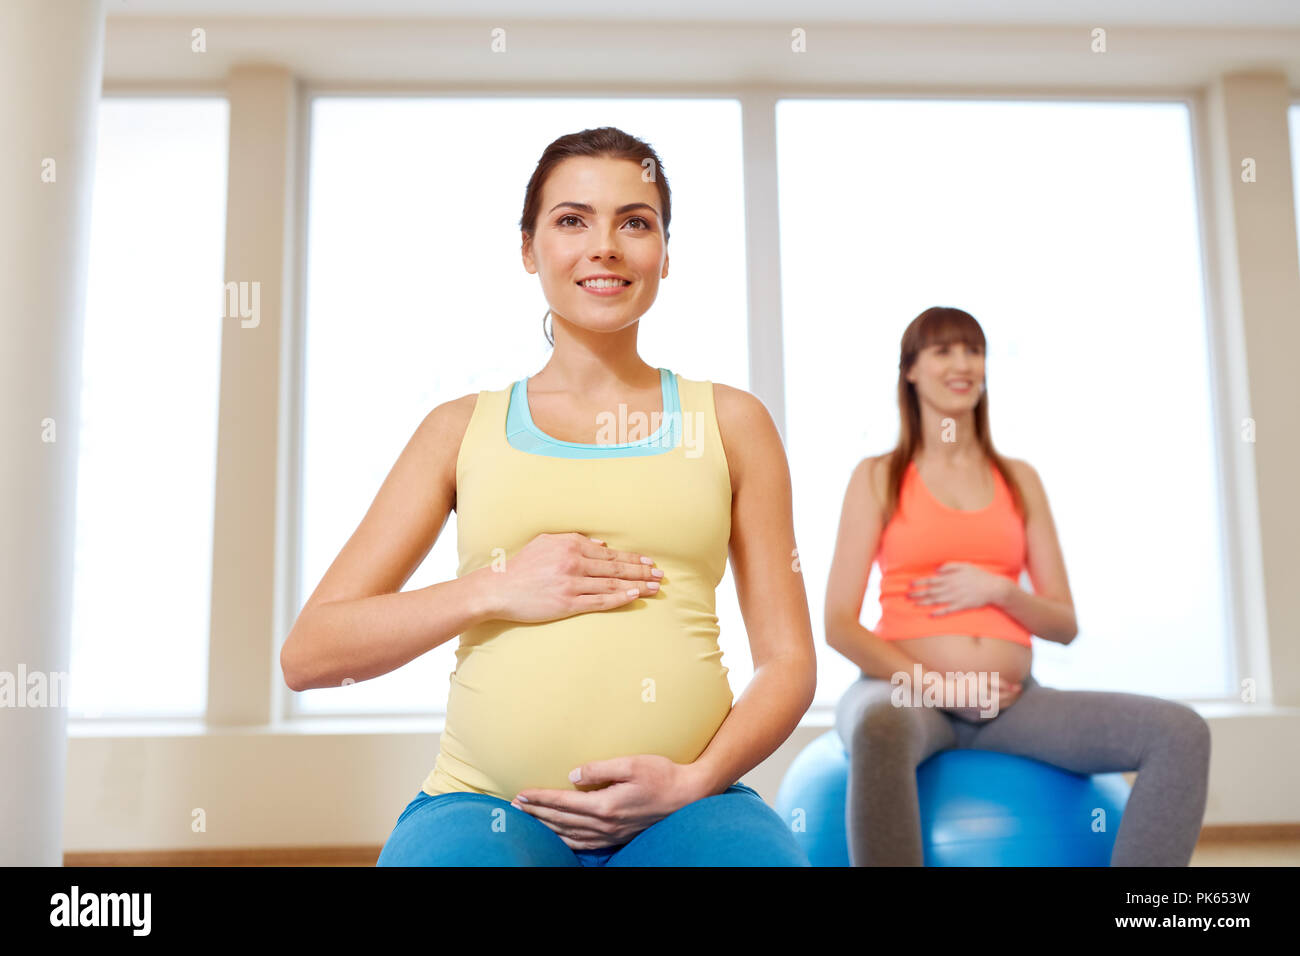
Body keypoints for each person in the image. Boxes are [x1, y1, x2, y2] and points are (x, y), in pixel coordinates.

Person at [281, 126, 815, 866]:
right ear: (529, 248)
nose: (606, 246)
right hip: (484, 806)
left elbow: (788, 662)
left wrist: (696, 779)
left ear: (664, 252)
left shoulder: (731, 422)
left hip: (690, 808)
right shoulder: (458, 429)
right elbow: (310, 656)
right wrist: (496, 587)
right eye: (572, 220)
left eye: (636, 221)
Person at [824, 306, 1212, 866]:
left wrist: (999, 591)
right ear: (910, 370)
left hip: (1011, 702)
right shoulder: (878, 476)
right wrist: (938, 686)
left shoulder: (1019, 479)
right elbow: (838, 623)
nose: (963, 364)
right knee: (879, 727)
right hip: (904, 694)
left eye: (973, 350)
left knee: (1180, 732)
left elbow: (1064, 625)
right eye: (944, 350)